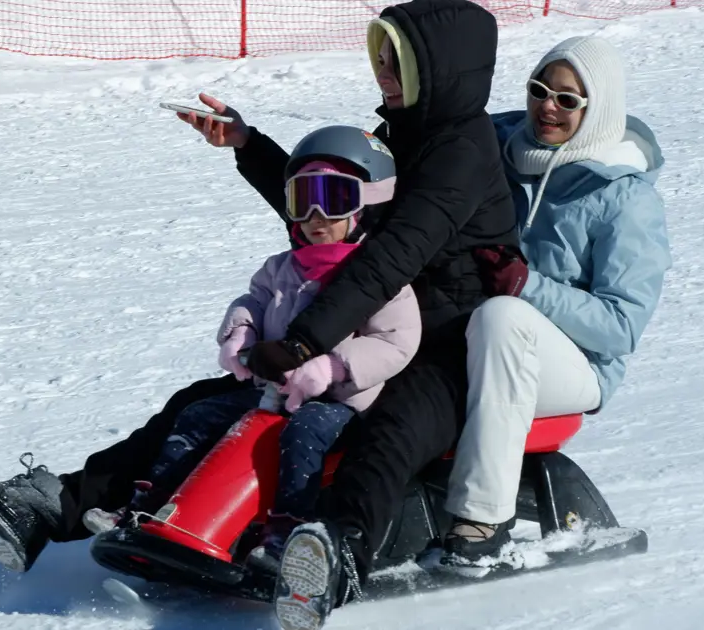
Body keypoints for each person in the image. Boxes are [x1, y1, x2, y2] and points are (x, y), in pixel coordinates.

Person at [176, 0, 517, 626]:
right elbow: (335, 204)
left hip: (449, 342)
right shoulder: (401, 131)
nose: (382, 71)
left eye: (398, 61)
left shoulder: (461, 152)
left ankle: (339, 555)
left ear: (437, 68)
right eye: (379, 57)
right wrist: (250, 148)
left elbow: (389, 255)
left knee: (390, 431)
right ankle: (82, 502)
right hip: (373, 323)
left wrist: (305, 343)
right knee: (215, 398)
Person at [78, 127, 421, 571]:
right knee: (198, 415)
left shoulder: (379, 275)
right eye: (303, 200)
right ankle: (148, 505)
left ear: (367, 207)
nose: (316, 215)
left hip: (336, 402)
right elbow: (252, 302)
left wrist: (333, 369)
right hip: (270, 389)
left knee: (302, 436)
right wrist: (239, 334)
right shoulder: (282, 266)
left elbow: (396, 342)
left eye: (334, 199)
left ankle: (285, 533)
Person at [429, 35, 672, 570]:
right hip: (485, 341)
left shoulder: (626, 199)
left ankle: (484, 517)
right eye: (540, 90)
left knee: (503, 317)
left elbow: (619, 328)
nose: (547, 107)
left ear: (598, 106)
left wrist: (527, 286)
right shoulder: (502, 151)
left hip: (578, 366)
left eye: (568, 99)